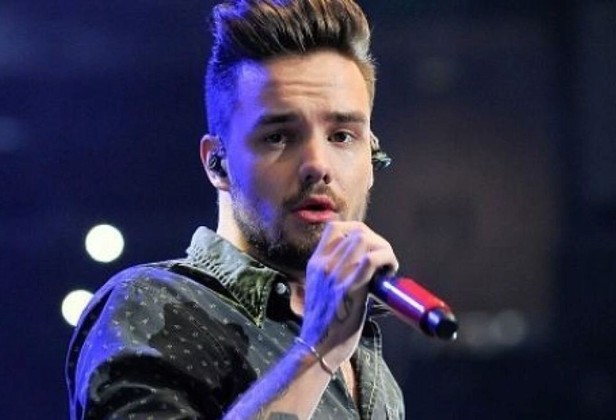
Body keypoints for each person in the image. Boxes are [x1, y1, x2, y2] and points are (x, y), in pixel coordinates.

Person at [66, 0, 405, 418]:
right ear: (217, 163)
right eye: (279, 137)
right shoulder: (149, 304)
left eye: (341, 136)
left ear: (372, 158)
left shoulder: (367, 363)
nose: (318, 164)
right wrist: (316, 353)